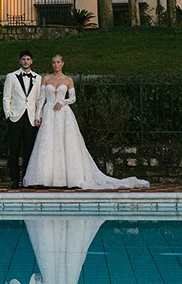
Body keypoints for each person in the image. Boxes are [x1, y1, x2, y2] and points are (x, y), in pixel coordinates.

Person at [22, 54, 149, 190]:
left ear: (63, 63)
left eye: (58, 62)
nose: (56, 65)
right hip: (49, 113)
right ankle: (45, 177)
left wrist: (62, 102)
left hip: (63, 113)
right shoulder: (46, 78)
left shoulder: (68, 80)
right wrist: (37, 115)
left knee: (66, 143)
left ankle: (68, 177)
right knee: (48, 143)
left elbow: (73, 98)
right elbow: (41, 99)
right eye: (53, 62)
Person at [2, 49, 41, 188]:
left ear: (32, 61)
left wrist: (38, 116)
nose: (26, 61)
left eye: (28, 59)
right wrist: (8, 114)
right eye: (23, 59)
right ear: (20, 61)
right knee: (14, 150)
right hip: (15, 117)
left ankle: (27, 179)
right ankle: (14, 179)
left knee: (29, 150)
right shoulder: (11, 77)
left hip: (30, 119)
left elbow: (39, 100)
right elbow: (6, 97)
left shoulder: (38, 78)